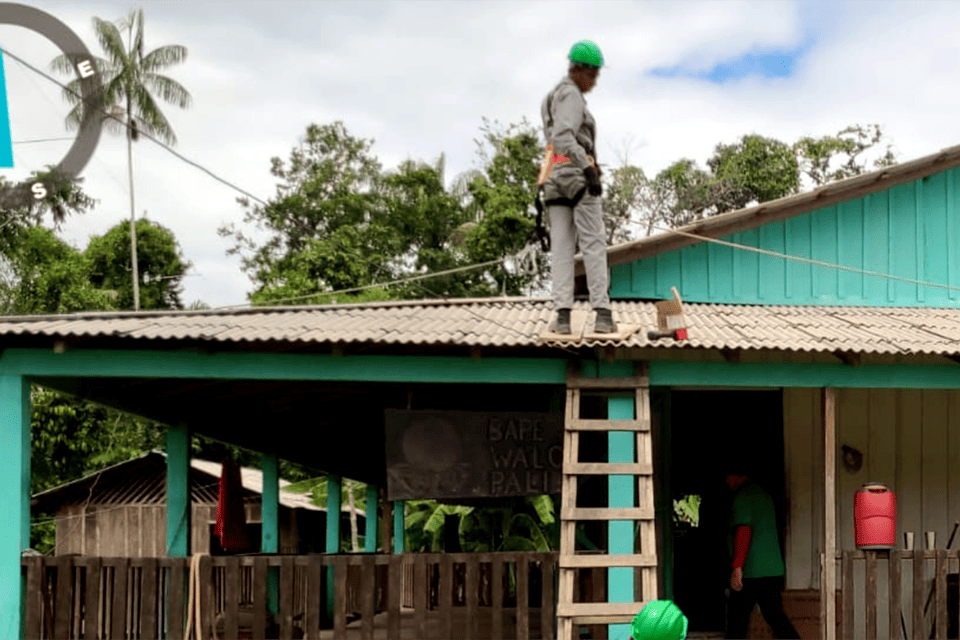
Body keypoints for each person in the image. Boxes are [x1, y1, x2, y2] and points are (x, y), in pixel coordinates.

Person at [540, 40, 616, 335]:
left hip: (554, 176)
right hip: (577, 174)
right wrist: (587, 168)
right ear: (578, 70)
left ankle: (562, 317)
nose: (594, 82)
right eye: (593, 75)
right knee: (594, 244)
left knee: (560, 250)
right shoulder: (571, 95)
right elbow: (563, 136)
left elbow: (553, 142)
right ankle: (602, 313)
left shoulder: (550, 97)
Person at [724, 461, 800, 639]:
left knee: (737, 620)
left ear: (734, 477)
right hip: (771, 570)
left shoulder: (743, 496)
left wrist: (737, 568)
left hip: (751, 572)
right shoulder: (763, 494)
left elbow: (744, 531)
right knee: (775, 617)